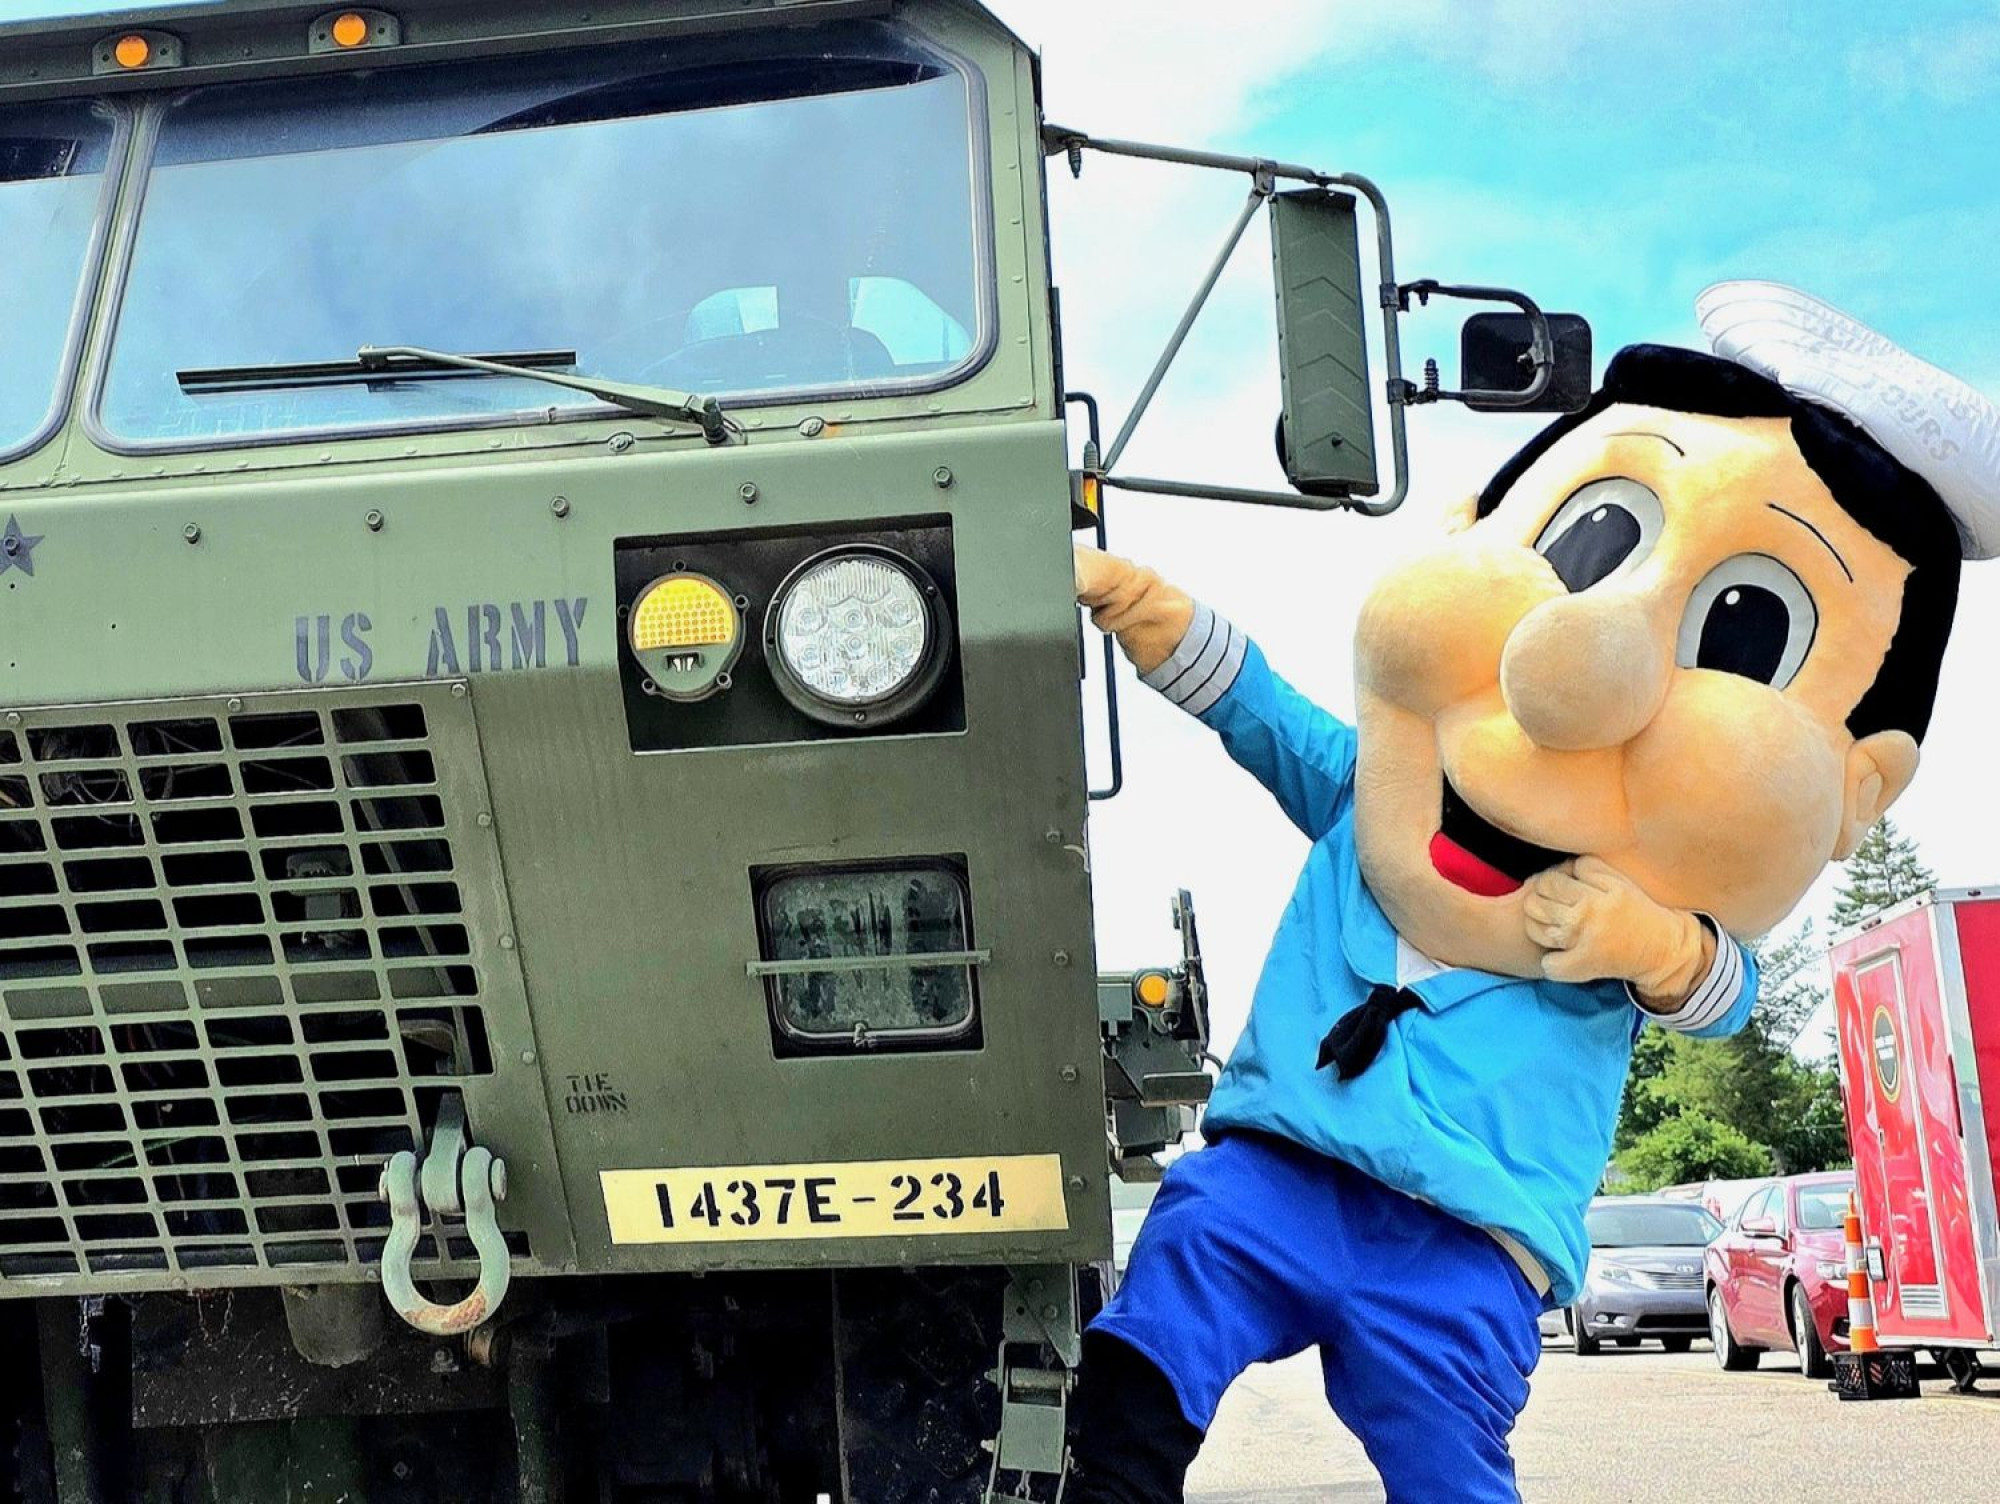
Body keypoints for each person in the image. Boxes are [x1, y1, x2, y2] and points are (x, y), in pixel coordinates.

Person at [1066, 282, 1999, 1503]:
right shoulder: (1365, 790)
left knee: (1449, 1464)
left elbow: (1721, 992)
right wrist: (1139, 604)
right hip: (1279, 1175)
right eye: (1586, 546)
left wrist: (1661, 946)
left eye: (1741, 632)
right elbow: (1256, 706)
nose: (1580, 662)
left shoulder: (1634, 916)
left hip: (1464, 1245)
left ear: (1856, 782)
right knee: (1153, 1335)